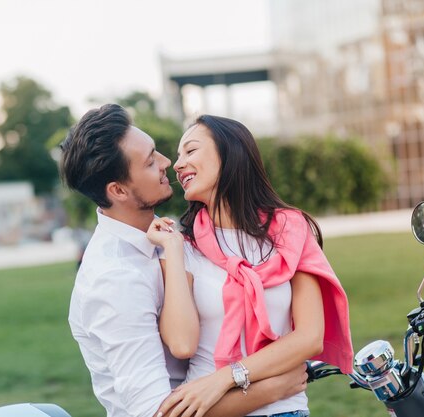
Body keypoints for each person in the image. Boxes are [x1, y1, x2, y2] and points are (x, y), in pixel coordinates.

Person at [60, 104, 308, 417]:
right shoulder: (116, 278)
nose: (168, 164)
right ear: (119, 190)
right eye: (151, 161)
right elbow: (155, 413)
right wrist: (269, 390)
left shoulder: (173, 239)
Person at [146, 115, 354, 417]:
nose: (177, 165)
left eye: (190, 151)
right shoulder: (183, 245)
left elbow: (309, 337)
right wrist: (173, 251)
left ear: (230, 152)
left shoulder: (290, 230)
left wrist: (224, 378)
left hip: (282, 411)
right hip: (207, 409)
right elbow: (180, 343)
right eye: (179, 156)